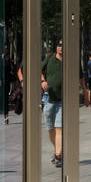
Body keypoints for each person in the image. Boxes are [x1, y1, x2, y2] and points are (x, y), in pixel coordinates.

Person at [41, 39, 64, 168]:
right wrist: (42, 80)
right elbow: (39, 69)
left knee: (58, 127)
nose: (61, 47)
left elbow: (80, 76)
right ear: (56, 47)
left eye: (63, 46)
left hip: (62, 100)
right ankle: (58, 151)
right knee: (50, 128)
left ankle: (59, 155)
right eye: (59, 45)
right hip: (49, 99)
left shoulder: (69, 60)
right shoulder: (49, 58)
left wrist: (84, 92)